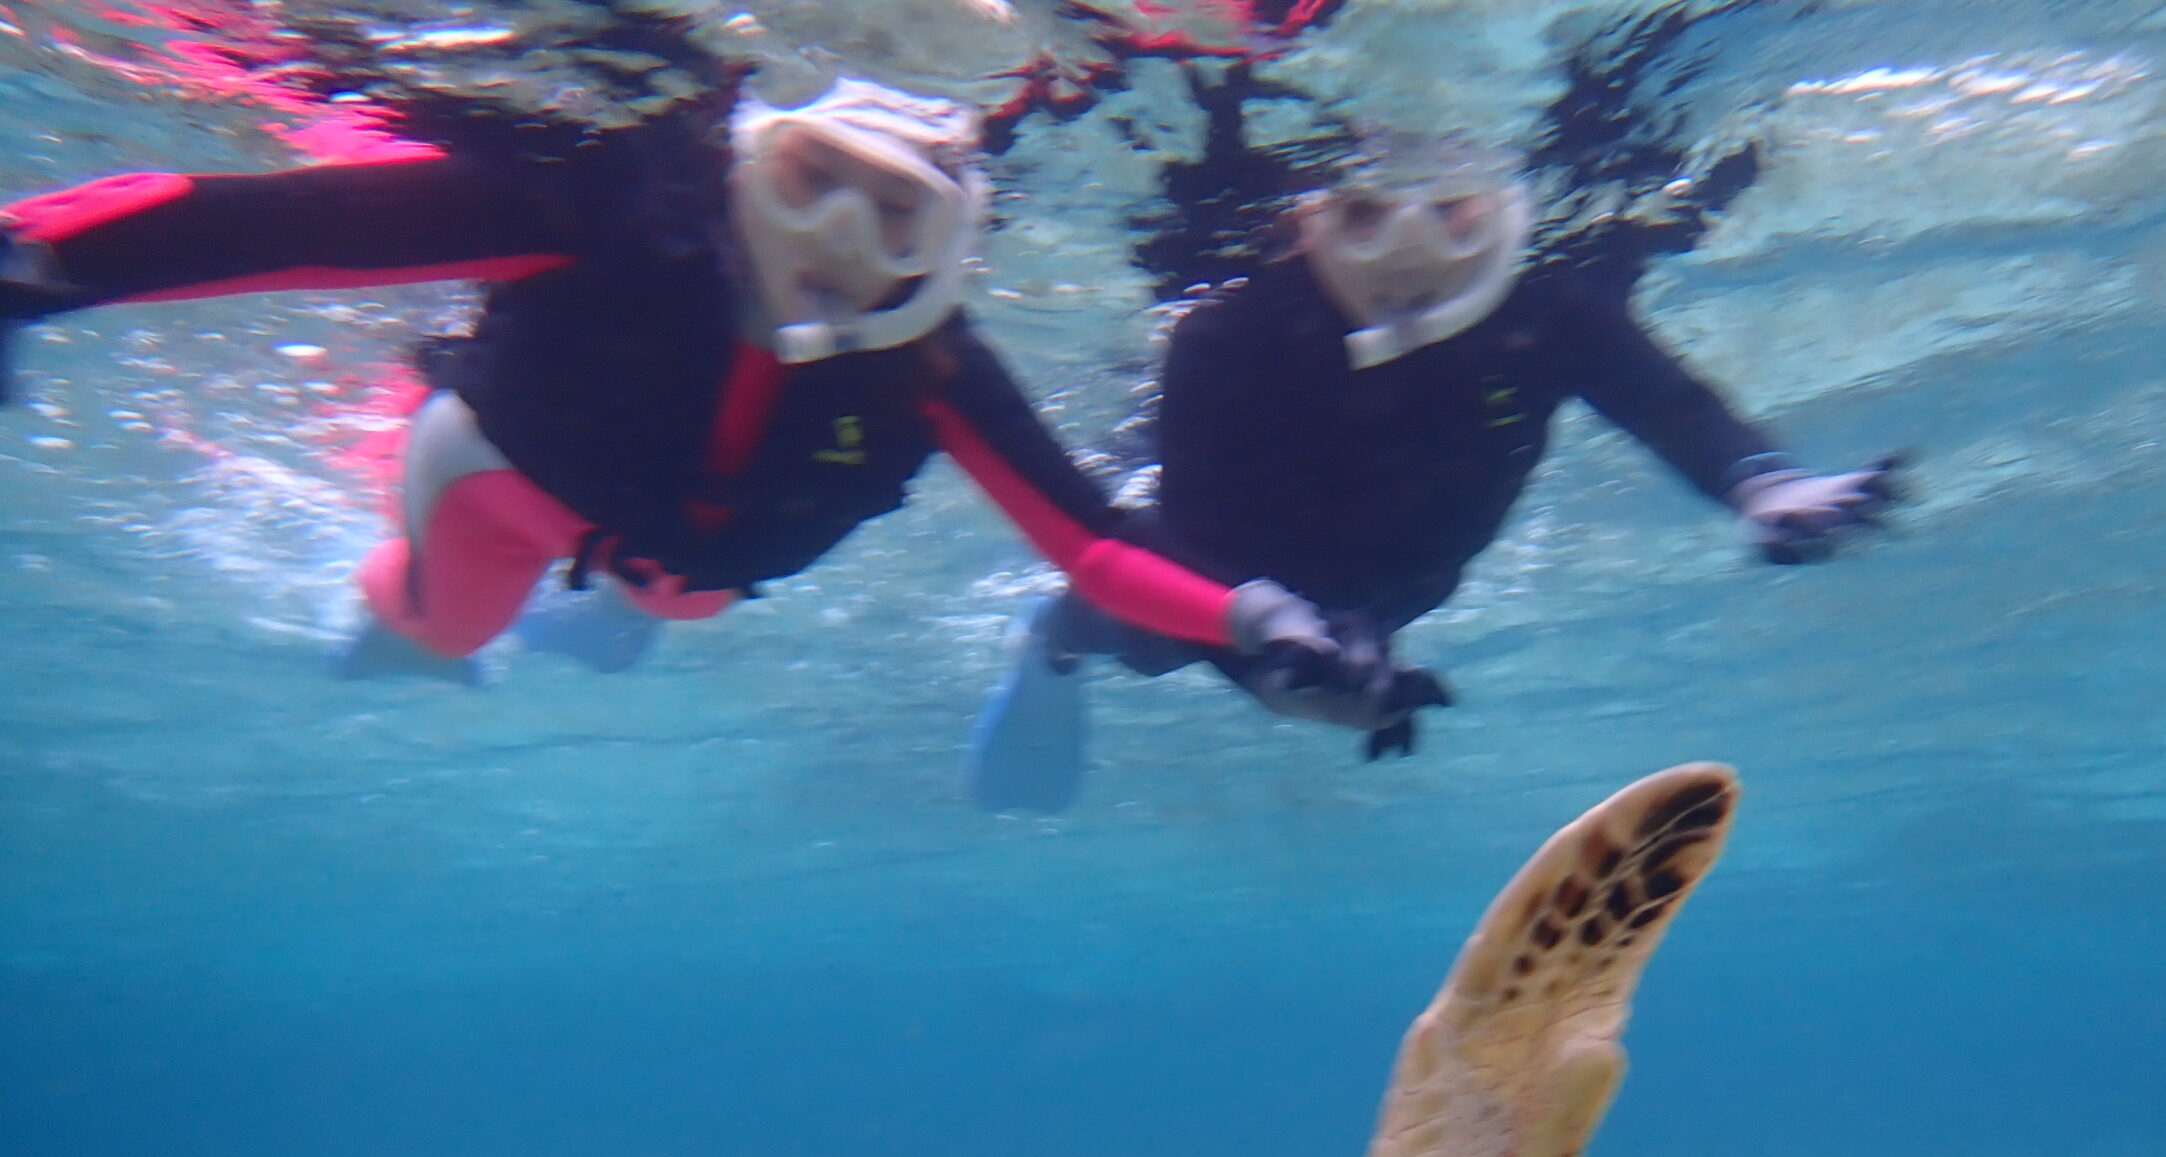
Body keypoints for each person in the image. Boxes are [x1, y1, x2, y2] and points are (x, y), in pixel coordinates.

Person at [0, 78, 1419, 727]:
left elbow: (1092, 547)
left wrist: (1261, 620)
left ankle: (599, 624)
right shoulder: (607, 208)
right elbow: (281, 229)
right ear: (757, 154)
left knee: (673, 603)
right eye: (817, 183)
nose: (850, 247)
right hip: (498, 487)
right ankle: (404, 575)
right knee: (443, 634)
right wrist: (36, 262)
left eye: (900, 215)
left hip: (696, 568)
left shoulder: (934, 366)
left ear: (956, 237)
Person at [968, 134, 1899, 813]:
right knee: (1144, 635)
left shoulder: (1554, 305)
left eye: (1451, 211)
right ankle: (1052, 640)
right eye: (1364, 216)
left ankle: (1334, 643)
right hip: (1231, 574)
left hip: (1391, 588)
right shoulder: (1225, 334)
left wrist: (1767, 484)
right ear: (1307, 220)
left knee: (1362, 636)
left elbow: (1669, 405)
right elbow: (1186, 549)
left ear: (1506, 205)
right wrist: (1275, 675)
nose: (1409, 255)